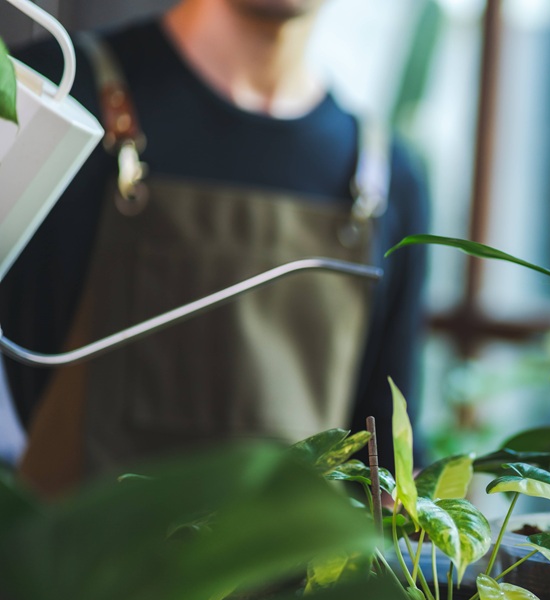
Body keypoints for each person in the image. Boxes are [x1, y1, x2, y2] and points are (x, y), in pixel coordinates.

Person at [0, 0, 428, 495]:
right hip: (68, 543)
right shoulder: (41, 94)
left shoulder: (386, 179)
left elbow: (389, 473)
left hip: (290, 547)